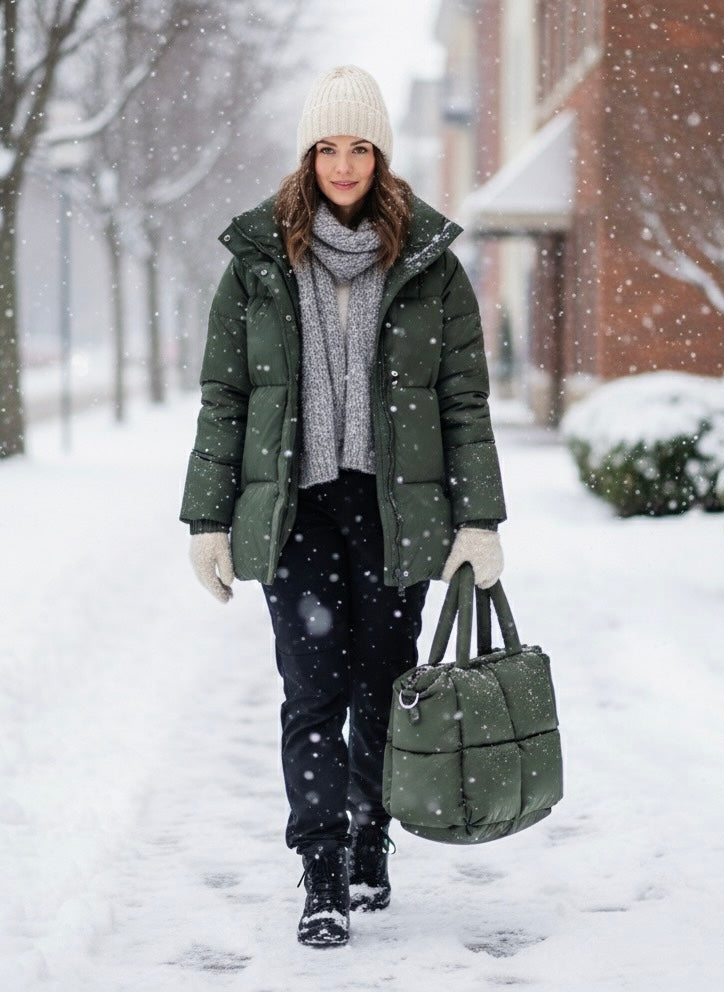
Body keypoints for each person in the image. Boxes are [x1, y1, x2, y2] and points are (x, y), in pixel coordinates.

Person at [180, 65, 507, 948]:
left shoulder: (430, 265)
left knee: (383, 688)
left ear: (381, 156)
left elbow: (462, 402)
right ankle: (320, 867)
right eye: (328, 147)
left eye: (360, 147)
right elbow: (226, 398)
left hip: (396, 510)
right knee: (311, 691)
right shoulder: (258, 264)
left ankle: (372, 837)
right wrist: (209, 520)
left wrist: (479, 521)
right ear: (308, 155)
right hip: (297, 512)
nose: (345, 163)